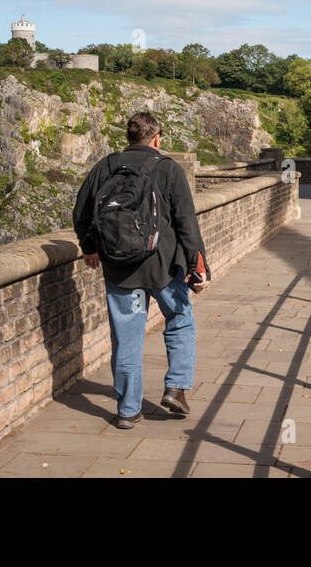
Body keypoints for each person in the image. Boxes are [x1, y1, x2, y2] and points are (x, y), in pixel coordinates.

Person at [73, 112, 210, 429]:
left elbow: (81, 213)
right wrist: (197, 267)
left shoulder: (105, 166)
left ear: (129, 137)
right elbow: (186, 223)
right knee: (179, 320)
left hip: (120, 270)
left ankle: (127, 411)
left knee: (127, 338)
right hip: (163, 268)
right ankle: (176, 387)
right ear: (157, 138)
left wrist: (89, 248)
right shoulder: (168, 169)